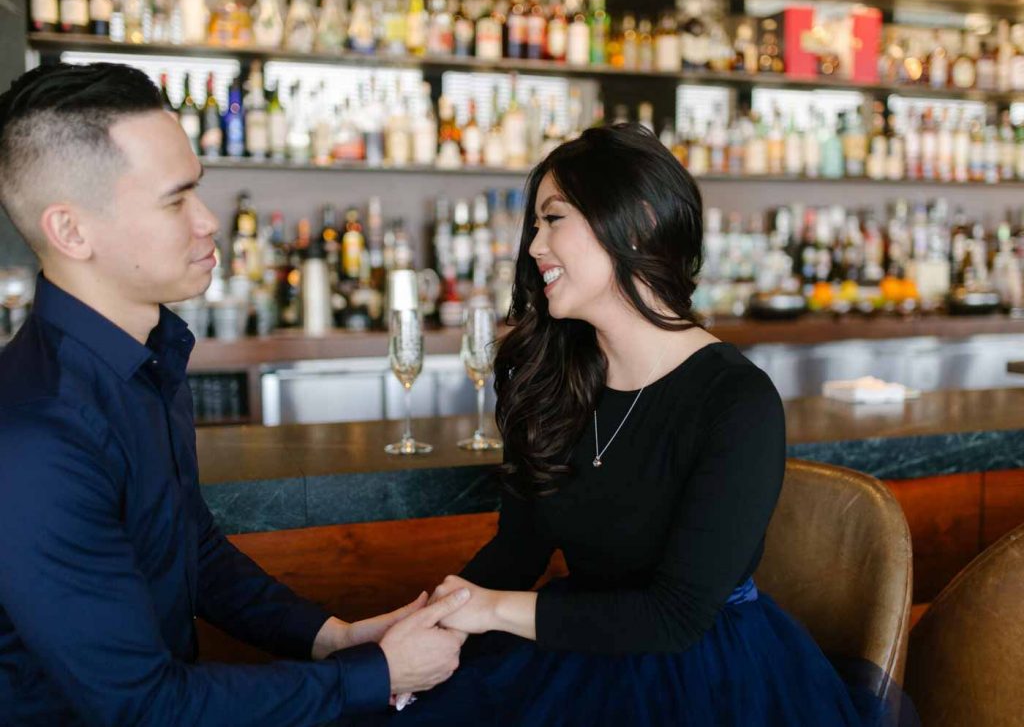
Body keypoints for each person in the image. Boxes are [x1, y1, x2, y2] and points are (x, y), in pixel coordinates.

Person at [379, 124, 904, 725]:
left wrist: (493, 611)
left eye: (554, 220)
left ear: (638, 221)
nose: (533, 247)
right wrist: (427, 621)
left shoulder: (736, 400)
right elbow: (517, 551)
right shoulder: (552, 379)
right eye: (535, 225)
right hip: (571, 654)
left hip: (704, 677)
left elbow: (674, 617)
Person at [0, 62, 470, 726]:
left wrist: (332, 635)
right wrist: (374, 674)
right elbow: (142, 706)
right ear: (71, 230)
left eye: (199, 190)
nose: (208, 221)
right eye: (175, 199)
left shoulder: (145, 359)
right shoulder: (37, 430)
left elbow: (193, 550)